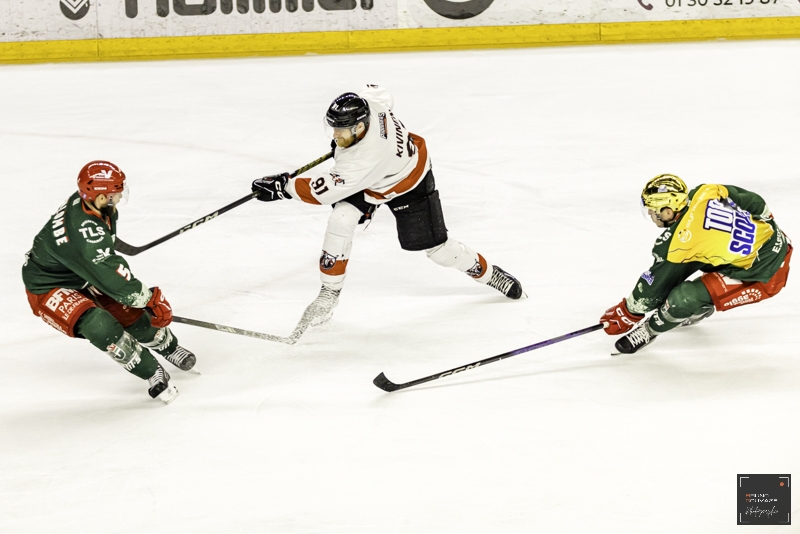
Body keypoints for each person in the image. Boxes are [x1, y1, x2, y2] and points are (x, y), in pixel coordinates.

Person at [251, 85, 524, 327]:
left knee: (439, 250)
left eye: (341, 130)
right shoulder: (372, 104)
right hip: (377, 178)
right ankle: (329, 293)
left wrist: (282, 187)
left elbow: (321, 191)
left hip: (409, 182)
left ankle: (488, 274)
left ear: (359, 127)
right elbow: (380, 92)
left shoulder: (363, 160)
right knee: (342, 219)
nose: (335, 134)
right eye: (333, 127)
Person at [22, 161, 196, 403]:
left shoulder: (89, 203)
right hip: (48, 285)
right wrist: (151, 298)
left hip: (82, 271)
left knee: (130, 314)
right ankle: (150, 371)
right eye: (115, 194)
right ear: (101, 196)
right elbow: (111, 274)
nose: (119, 197)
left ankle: (169, 347)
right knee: (100, 326)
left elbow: (95, 252)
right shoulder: (86, 234)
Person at [600, 174, 792, 354]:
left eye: (652, 210)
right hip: (773, 239)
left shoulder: (678, 244)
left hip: (765, 274)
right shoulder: (704, 192)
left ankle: (651, 330)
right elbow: (750, 199)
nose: (650, 214)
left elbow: (653, 289)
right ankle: (703, 304)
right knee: (703, 257)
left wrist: (628, 312)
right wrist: (765, 216)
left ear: (667, 212)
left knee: (682, 299)